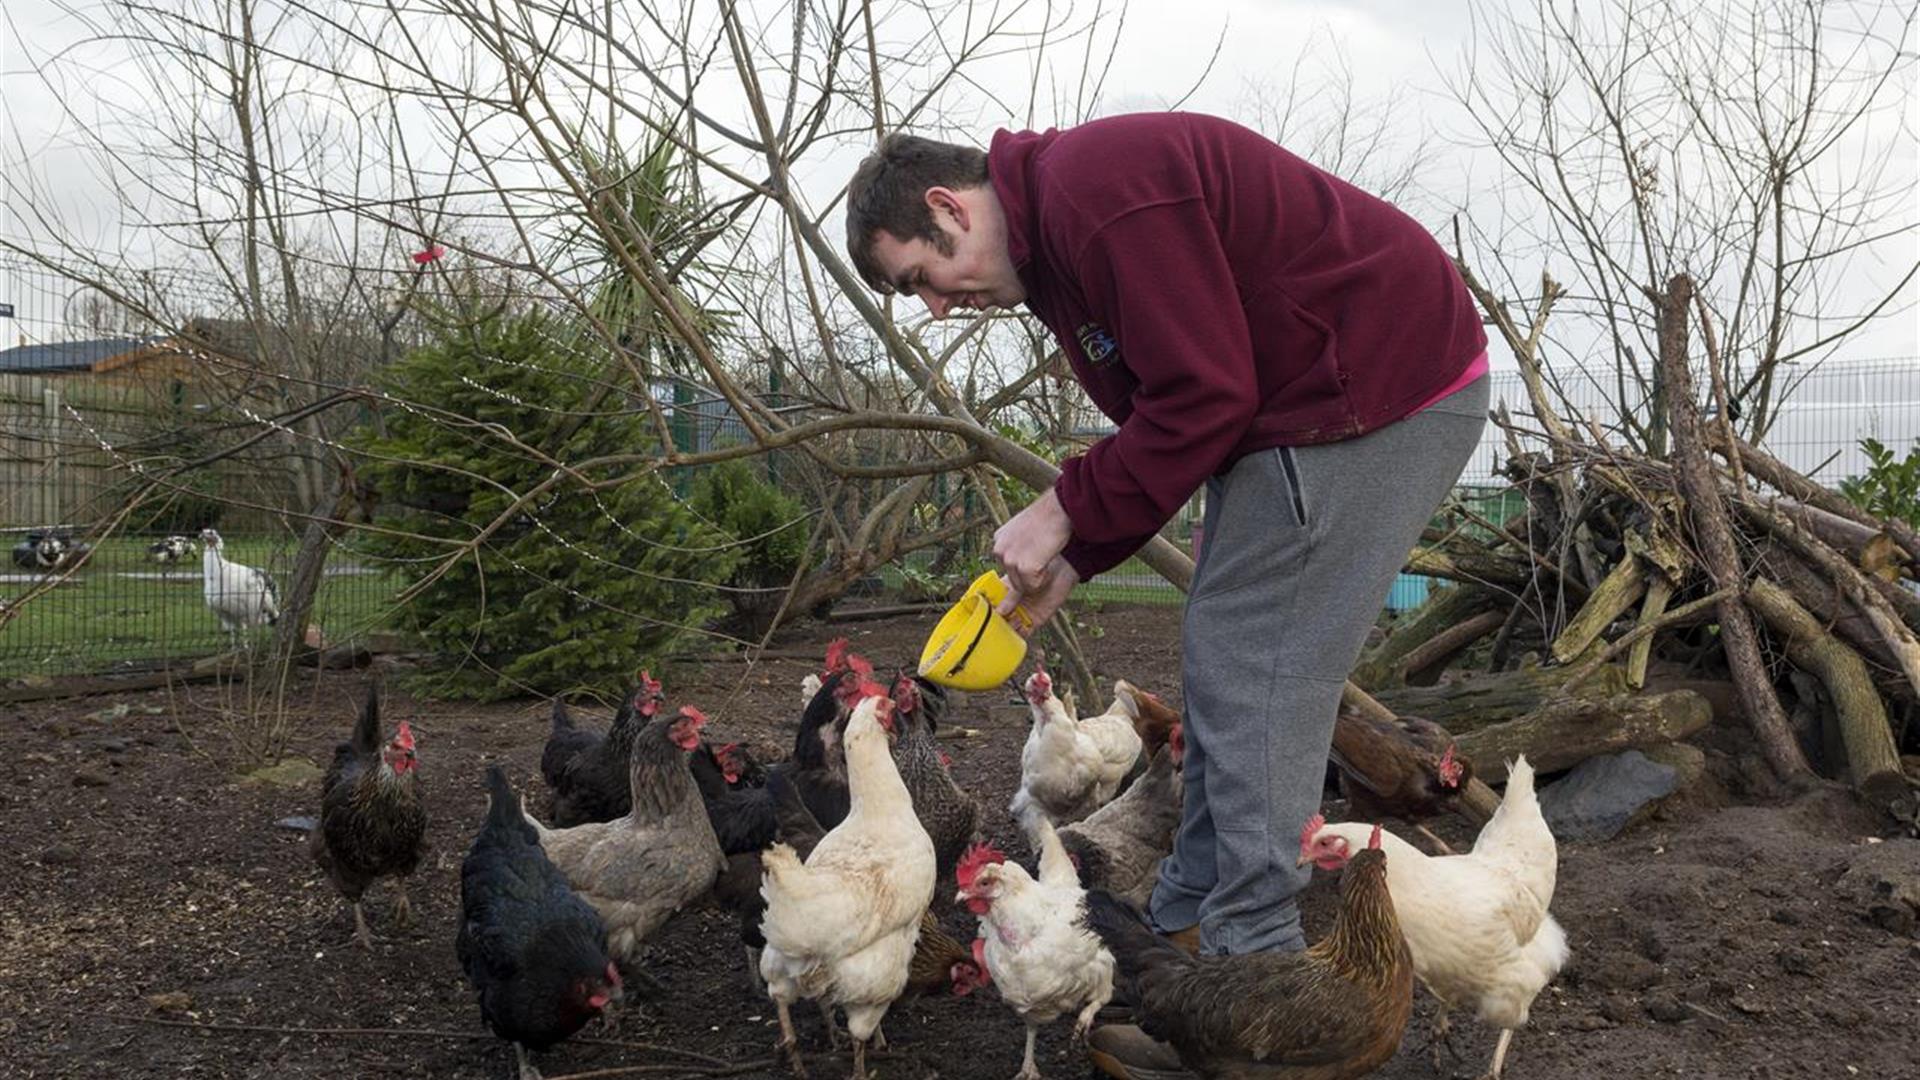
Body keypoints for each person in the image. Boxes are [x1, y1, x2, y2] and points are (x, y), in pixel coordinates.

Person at [845, 112, 1488, 1075]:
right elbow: (1173, 420)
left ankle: (1261, 997)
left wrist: (1064, 506)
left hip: (1376, 388)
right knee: (1223, 661)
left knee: (1262, 674)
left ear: (946, 208)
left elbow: (1203, 392)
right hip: (1297, 413)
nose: (933, 307)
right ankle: (1187, 964)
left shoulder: (1096, 194)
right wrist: (1078, 552)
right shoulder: (1062, 257)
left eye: (916, 279)